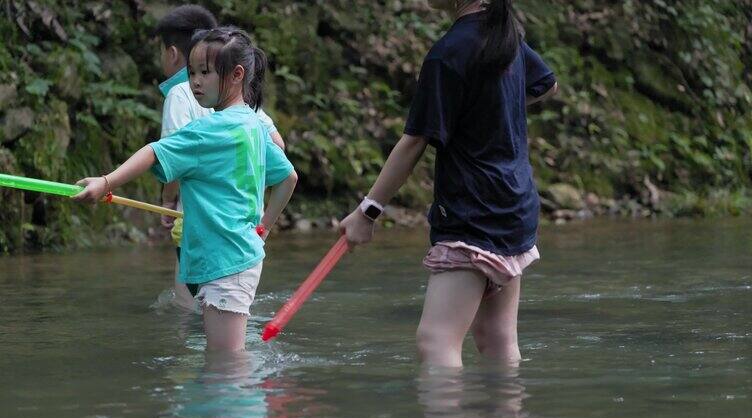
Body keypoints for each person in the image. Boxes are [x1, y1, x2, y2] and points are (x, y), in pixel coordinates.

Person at [339, 0, 558, 367]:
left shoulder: (449, 53)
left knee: (435, 341)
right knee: (497, 339)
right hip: (515, 206)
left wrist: (368, 212)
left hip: (472, 213)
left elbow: (413, 143)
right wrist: (491, 109)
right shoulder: (504, 35)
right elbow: (546, 85)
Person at [74, 27, 297, 352]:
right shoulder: (252, 125)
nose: (195, 81)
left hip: (226, 262)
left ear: (236, 75)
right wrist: (264, 227)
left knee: (226, 366)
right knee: (223, 359)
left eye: (205, 73)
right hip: (238, 256)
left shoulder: (207, 131)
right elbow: (288, 178)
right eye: (191, 72)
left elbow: (154, 150)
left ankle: (253, 397)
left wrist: (106, 182)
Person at [153, 5, 286, 311]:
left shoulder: (180, 94)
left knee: (187, 307)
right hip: (241, 232)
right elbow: (277, 145)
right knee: (226, 306)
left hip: (196, 223)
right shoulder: (240, 102)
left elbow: (171, 154)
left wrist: (167, 204)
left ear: (173, 54)